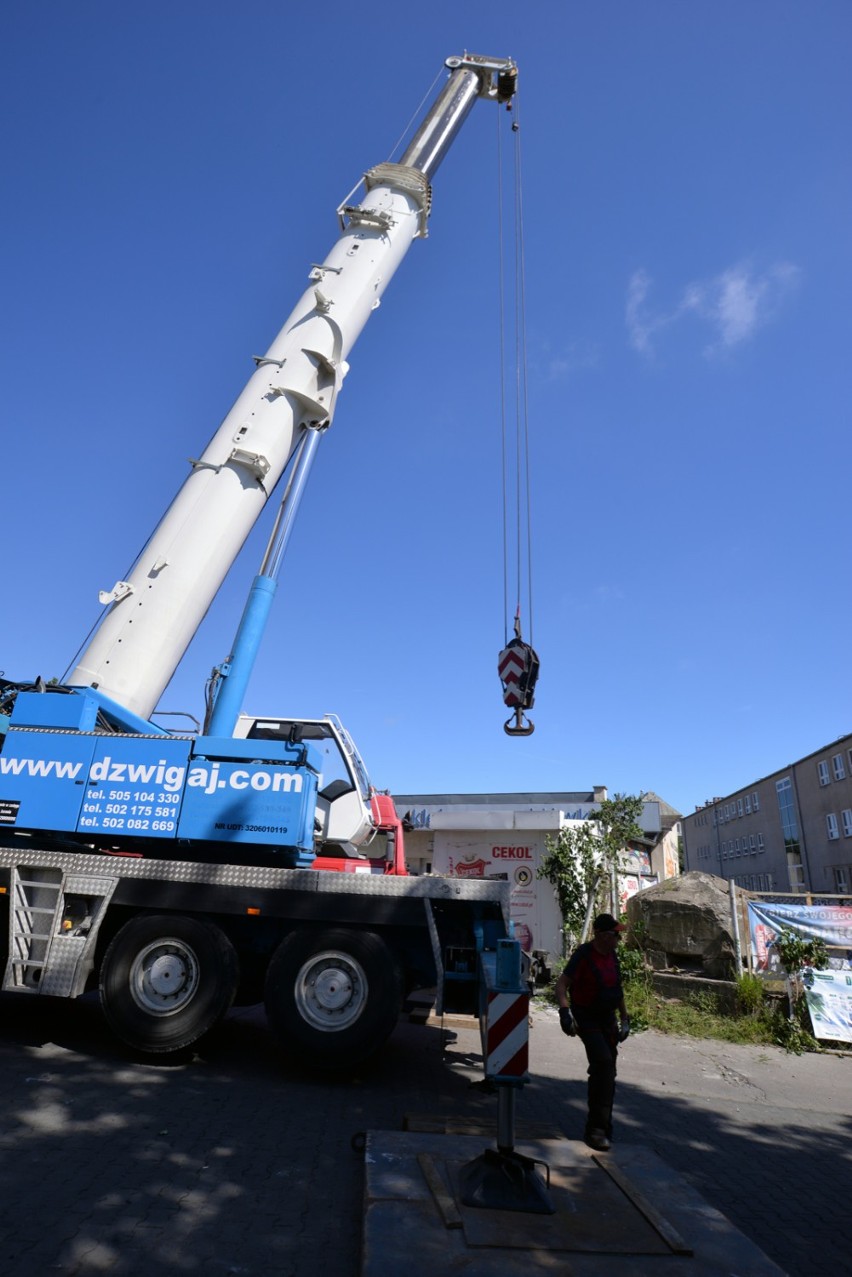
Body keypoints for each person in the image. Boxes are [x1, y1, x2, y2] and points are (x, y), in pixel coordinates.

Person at [556, 912, 630, 1152]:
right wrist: (565, 1013)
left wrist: (625, 1019)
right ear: (600, 935)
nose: (618, 939)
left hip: (607, 1020)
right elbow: (561, 985)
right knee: (604, 1064)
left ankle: (603, 1127)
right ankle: (596, 1130)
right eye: (614, 935)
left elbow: (617, 989)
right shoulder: (584, 955)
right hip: (587, 1018)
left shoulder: (612, 956)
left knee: (607, 1072)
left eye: (618, 935)